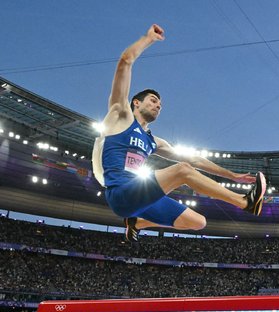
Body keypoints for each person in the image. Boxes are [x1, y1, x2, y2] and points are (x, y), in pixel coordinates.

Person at [92, 24, 266, 242]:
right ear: (136, 103)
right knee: (182, 170)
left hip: (138, 195)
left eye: (160, 104)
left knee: (197, 222)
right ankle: (244, 202)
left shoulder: (153, 141)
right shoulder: (120, 116)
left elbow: (195, 159)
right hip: (120, 193)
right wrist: (148, 39)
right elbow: (125, 62)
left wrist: (231, 175)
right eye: (153, 101)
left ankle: (136, 222)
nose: (158, 106)